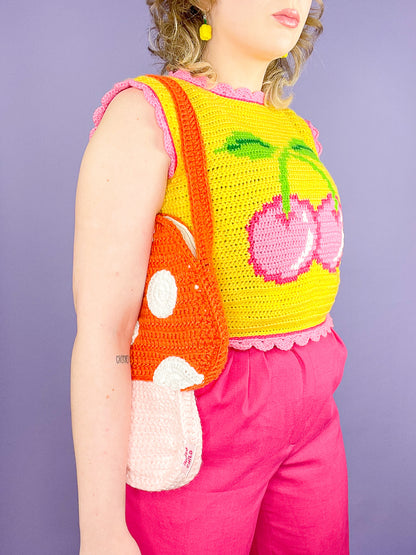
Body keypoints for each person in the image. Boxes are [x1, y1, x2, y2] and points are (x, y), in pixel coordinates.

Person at [71, 0, 349, 553]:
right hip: (201, 425)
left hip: (315, 419)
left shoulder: (296, 131)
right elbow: (104, 331)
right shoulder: (147, 114)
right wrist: (101, 525)